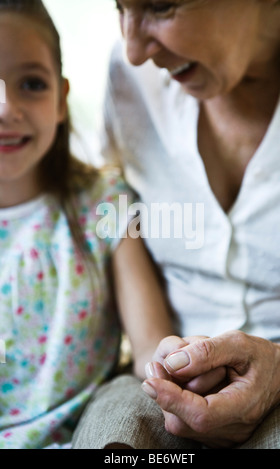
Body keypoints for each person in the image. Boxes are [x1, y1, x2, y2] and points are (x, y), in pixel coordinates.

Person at [72, 0, 280, 449]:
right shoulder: (129, 74)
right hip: (158, 371)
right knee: (111, 442)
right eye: (119, 6)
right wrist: (155, 353)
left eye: (160, 6)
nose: (133, 49)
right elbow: (118, 214)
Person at [0, 0, 175, 449]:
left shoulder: (104, 204)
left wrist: (188, 364)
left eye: (31, 84)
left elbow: (151, 345)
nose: (6, 108)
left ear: (61, 100)